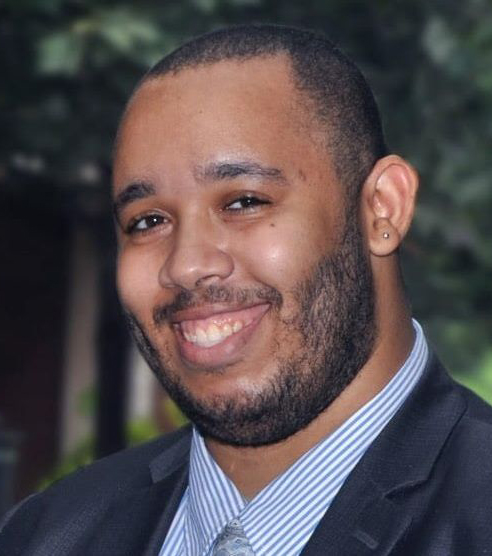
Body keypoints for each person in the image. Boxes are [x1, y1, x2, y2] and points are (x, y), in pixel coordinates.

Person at [1, 24, 492, 556]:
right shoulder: (46, 535)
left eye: (244, 202)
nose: (187, 265)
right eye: (147, 221)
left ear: (382, 208)